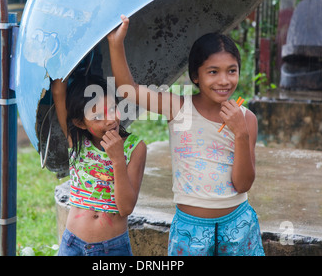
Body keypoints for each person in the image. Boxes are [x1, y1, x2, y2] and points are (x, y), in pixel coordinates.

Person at [107, 15, 264, 256]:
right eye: (213, 72)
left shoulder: (247, 119)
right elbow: (129, 90)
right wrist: (115, 44)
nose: (224, 80)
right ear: (195, 76)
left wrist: (240, 133)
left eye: (231, 71)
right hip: (191, 229)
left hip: (238, 225)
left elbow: (243, 184)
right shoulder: (178, 109)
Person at [52, 73, 146, 256]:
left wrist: (118, 159)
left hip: (112, 249)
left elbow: (125, 208)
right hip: (72, 244)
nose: (110, 119)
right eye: (98, 116)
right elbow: (58, 92)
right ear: (80, 123)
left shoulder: (135, 148)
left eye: (112, 109)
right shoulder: (76, 141)